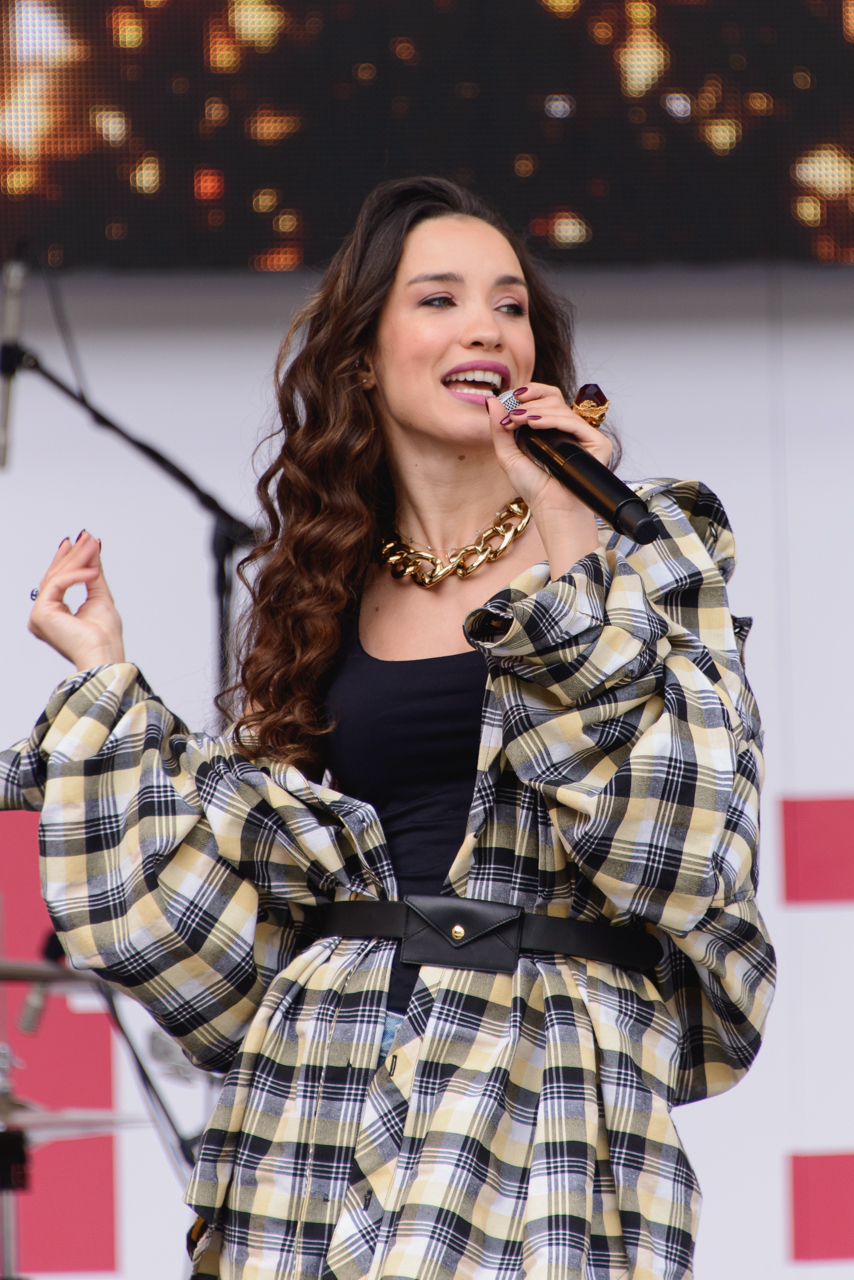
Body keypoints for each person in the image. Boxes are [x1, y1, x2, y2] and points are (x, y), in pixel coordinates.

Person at [0, 177, 774, 1280]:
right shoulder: (324, 585)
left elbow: (675, 844)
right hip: (328, 1073)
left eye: (510, 306)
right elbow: (241, 903)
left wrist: (571, 523)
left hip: (545, 1079)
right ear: (363, 355)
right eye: (440, 299)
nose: (484, 328)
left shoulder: (645, 546)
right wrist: (102, 677)